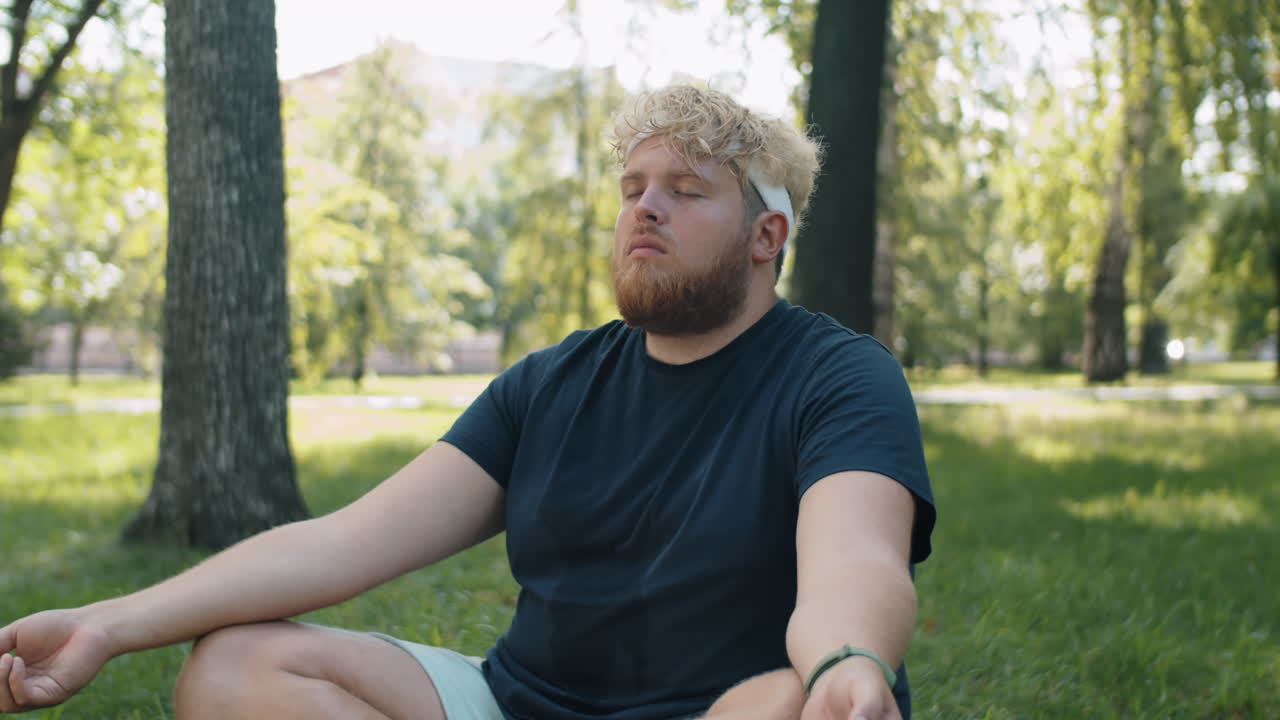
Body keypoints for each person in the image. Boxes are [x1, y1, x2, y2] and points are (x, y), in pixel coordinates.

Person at [0, 84, 935, 720]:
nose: (644, 209)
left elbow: (853, 561)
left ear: (768, 235)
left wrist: (846, 661)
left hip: (726, 706)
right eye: (632, 189)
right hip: (520, 701)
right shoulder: (551, 382)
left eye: (686, 191)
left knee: (789, 706)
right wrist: (104, 625)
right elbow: (343, 543)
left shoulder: (839, 377)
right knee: (235, 667)